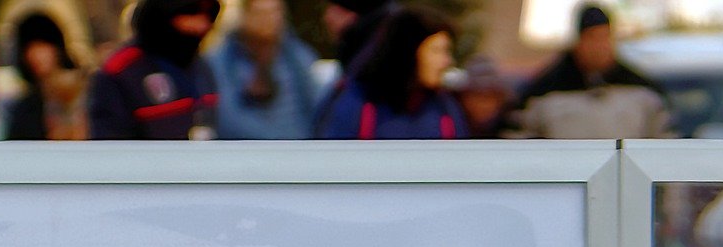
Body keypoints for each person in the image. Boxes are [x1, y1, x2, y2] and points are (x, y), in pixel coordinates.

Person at [507, 4, 670, 139]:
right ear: (578, 41)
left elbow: (664, 147)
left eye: (605, 37)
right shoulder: (543, 93)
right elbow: (520, 147)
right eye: (591, 37)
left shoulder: (642, 92)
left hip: (627, 178)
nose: (599, 46)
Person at [316, 5, 466, 139]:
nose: (447, 61)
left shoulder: (445, 110)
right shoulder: (356, 103)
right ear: (408, 52)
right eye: (437, 51)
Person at [88, 0, 222, 140]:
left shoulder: (203, 66)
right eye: (190, 12)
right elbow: (109, 148)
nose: (201, 25)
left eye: (210, 15)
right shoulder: (120, 73)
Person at [207, 0, 322, 140]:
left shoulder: (299, 58)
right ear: (244, 15)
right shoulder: (220, 61)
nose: (268, 19)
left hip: (295, 150)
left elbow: (317, 113)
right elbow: (225, 119)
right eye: (260, 13)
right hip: (241, 150)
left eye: (275, 12)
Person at [2, 8, 88, 140]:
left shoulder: (86, 89)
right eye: (30, 48)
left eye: (43, 45)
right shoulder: (25, 108)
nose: (36, 55)